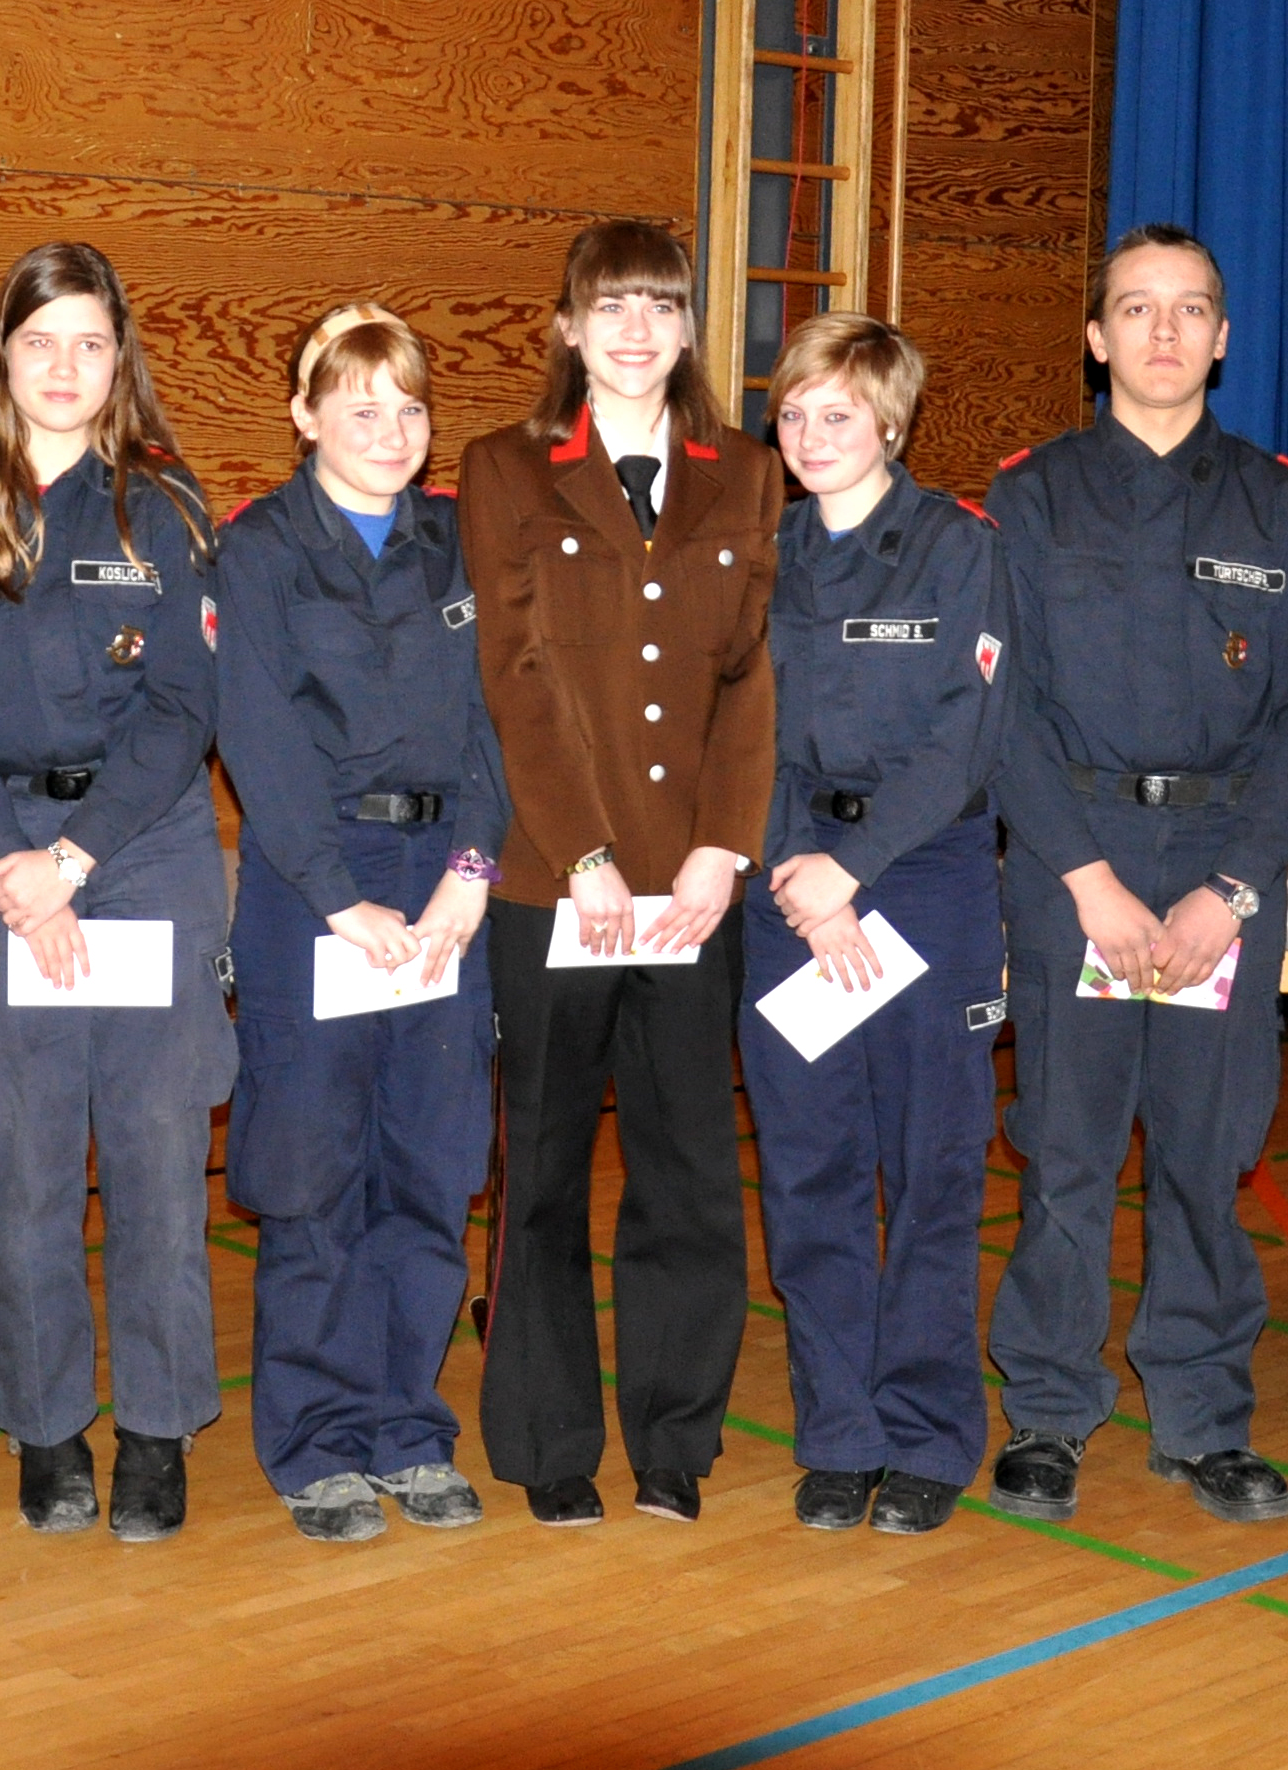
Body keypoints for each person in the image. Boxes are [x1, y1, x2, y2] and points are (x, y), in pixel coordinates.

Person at [979, 225, 1288, 1529]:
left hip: (1218, 867)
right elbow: (1002, 712)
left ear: (1223, 338)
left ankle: (1202, 1416)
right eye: (1136, 308)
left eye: (1190, 309)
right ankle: (1049, 1409)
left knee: (1204, 1149)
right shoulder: (1031, 497)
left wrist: (1228, 891)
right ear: (1096, 337)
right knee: (1067, 1151)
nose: (1164, 332)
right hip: (1075, 858)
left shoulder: (1284, 504)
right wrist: (1087, 880)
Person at [0, 241, 229, 1543]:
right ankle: (45, 1430)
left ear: (119, 358)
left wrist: (74, 862)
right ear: (2, 355)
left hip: (140, 849)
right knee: (28, 1164)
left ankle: (156, 1428)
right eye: (41, 341)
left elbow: (183, 708)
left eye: (91, 343)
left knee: (156, 1155)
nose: (66, 366)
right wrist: (17, 871)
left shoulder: (164, 505)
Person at [460, 220, 779, 1527]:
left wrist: (722, 843)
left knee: (687, 1171)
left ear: (690, 326)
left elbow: (748, 674)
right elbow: (515, 676)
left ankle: (673, 1440)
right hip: (556, 884)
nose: (637, 330)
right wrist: (582, 848)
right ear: (568, 328)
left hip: (693, 890)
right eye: (611, 306)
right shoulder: (504, 467)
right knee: (537, 1172)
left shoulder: (745, 473)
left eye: (660, 304)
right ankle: (547, 1442)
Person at [211, 304, 505, 1542]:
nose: (391, 431)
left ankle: (406, 1429)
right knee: (315, 1174)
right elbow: (258, 737)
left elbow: (504, 721)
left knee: (429, 1170)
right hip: (314, 886)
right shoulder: (259, 548)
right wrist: (338, 897)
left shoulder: (463, 541)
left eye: (410, 407)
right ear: (304, 414)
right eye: (360, 406)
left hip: (446, 883)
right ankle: (317, 1442)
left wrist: (472, 872)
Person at [741, 313, 1005, 1536]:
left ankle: (930, 1435)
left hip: (924, 880)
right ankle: (840, 1433)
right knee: (811, 1172)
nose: (809, 436)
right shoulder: (764, 553)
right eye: (792, 414)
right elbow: (742, 731)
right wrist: (801, 873)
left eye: (836, 414)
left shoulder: (959, 548)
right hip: (790, 888)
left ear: (891, 422)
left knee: (932, 1169)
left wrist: (851, 869)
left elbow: (964, 739)